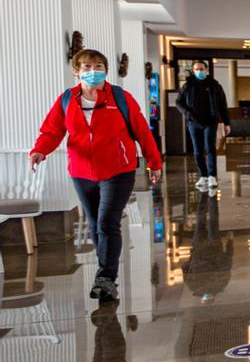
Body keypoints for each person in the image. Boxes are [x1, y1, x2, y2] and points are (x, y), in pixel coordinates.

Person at [29, 49, 163, 302]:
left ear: (106, 70)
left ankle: (106, 277)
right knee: (93, 222)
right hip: (81, 171)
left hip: (118, 170)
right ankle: (105, 272)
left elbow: (142, 131)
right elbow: (52, 131)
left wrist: (154, 162)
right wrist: (39, 150)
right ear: (76, 70)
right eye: (87, 66)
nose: (93, 71)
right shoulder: (67, 100)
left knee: (106, 223)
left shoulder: (120, 98)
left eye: (98, 66)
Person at [176, 61, 231, 192]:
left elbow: (223, 104)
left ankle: (212, 175)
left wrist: (226, 122)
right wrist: (187, 114)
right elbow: (178, 102)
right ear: (193, 71)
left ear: (206, 70)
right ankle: (203, 175)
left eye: (201, 69)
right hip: (193, 122)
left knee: (210, 148)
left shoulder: (214, 85)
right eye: (196, 69)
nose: (199, 71)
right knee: (197, 150)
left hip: (210, 121)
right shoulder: (188, 86)